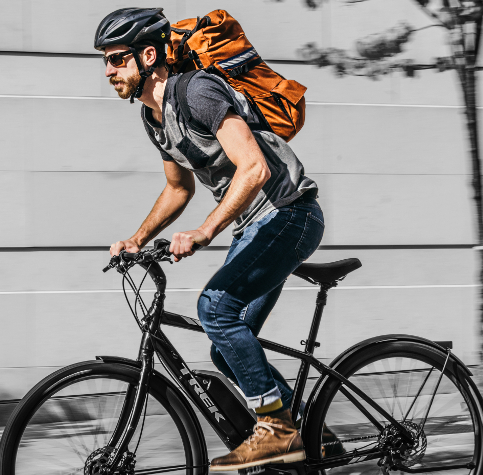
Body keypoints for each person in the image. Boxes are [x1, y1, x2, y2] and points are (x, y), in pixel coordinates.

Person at [97, 8, 325, 471]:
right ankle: (310, 437)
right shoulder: (153, 116)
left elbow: (255, 167)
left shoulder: (197, 91)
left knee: (214, 308)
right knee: (226, 349)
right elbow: (178, 188)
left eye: (117, 59)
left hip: (289, 213)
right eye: (105, 61)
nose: (108, 71)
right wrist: (137, 238)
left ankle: (278, 431)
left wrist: (205, 231)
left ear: (148, 55)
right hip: (257, 225)